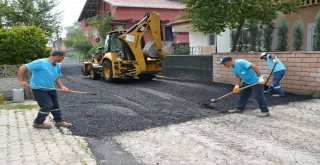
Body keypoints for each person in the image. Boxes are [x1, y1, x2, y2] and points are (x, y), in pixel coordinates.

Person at [18, 50, 72, 129]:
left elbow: (57, 77)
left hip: (51, 88)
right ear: (58, 56)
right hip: (39, 88)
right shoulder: (40, 62)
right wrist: (22, 81)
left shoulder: (57, 65)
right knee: (47, 105)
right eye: (62, 58)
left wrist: (62, 87)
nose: (62, 60)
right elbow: (22, 68)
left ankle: (59, 121)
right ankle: (38, 122)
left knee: (55, 105)